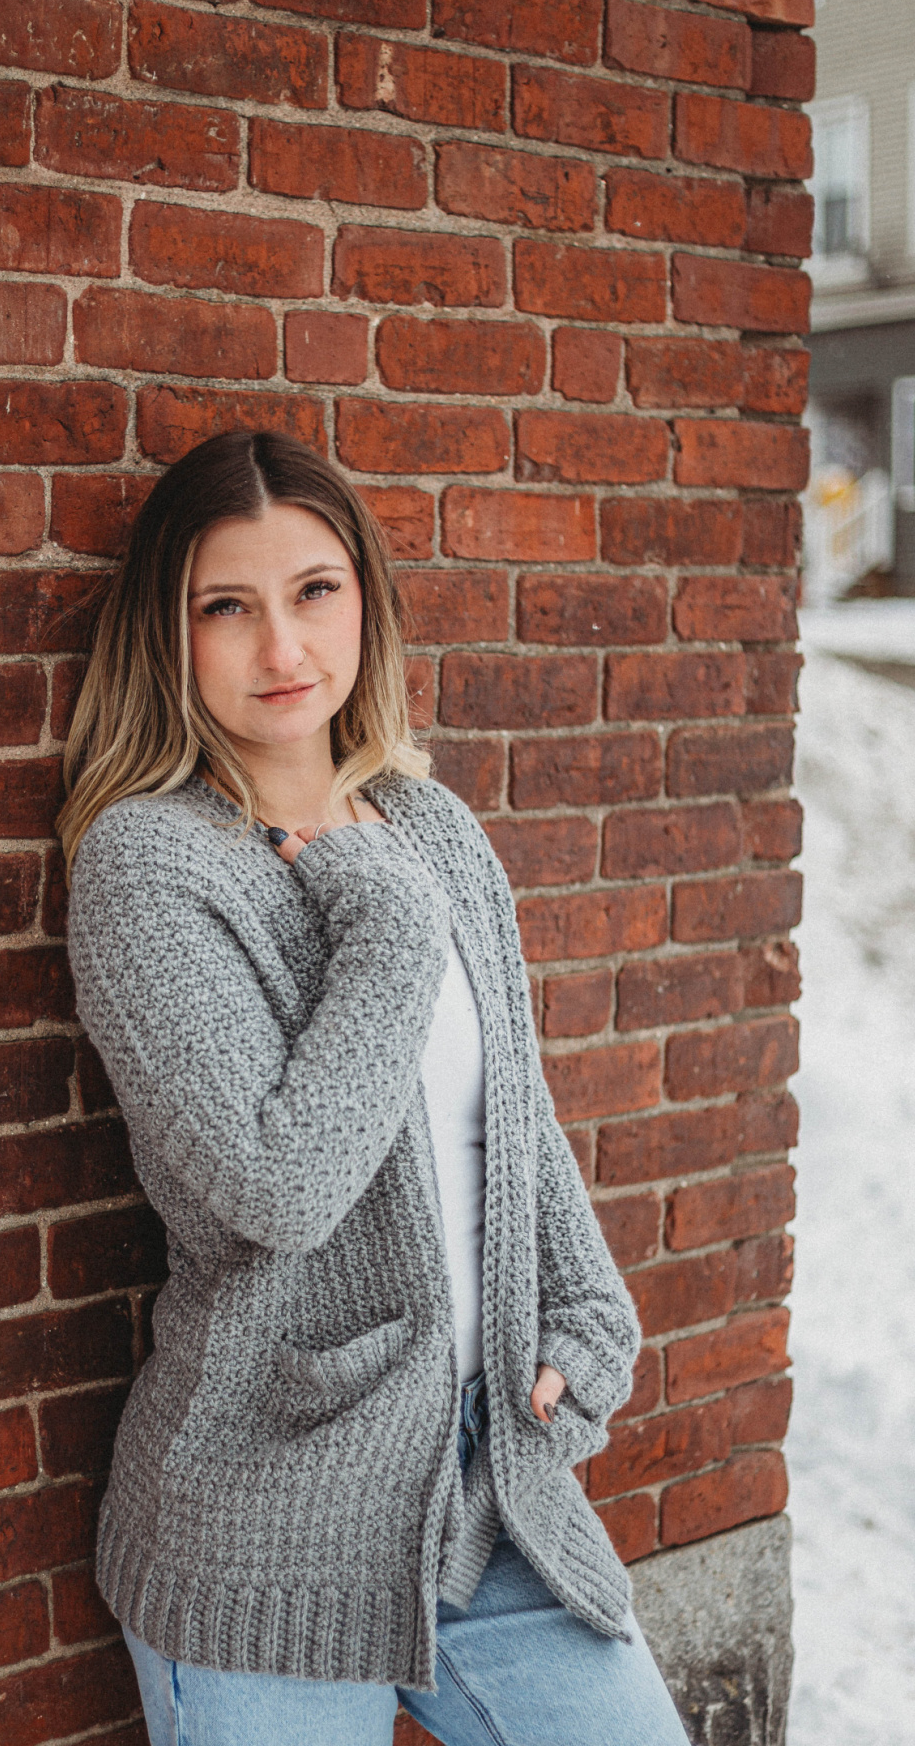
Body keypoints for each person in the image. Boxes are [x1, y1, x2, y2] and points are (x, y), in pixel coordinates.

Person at [59, 432, 689, 1746]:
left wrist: (590, 1308)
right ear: (168, 637)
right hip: (262, 1525)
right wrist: (388, 934)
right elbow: (277, 1192)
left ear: (366, 602)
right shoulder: (150, 868)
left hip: (485, 1488)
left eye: (315, 592)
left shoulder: (434, 825)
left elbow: (508, 1113)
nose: (282, 648)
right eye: (225, 607)